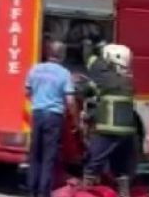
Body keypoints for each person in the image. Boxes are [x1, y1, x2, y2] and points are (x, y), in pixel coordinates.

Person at [80, 41, 136, 197]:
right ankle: (123, 193)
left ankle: (86, 191)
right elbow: (98, 90)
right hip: (127, 133)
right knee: (120, 169)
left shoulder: (105, 75)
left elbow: (89, 59)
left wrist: (88, 43)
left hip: (108, 130)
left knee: (92, 164)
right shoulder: (125, 81)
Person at [25, 40, 77, 197]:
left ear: (48, 53)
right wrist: (74, 119)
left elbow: (27, 92)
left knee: (35, 155)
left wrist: (38, 100)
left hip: (37, 114)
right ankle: (43, 192)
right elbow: (70, 101)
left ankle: (31, 190)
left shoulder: (35, 69)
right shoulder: (64, 73)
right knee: (48, 157)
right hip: (53, 117)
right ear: (62, 55)